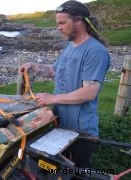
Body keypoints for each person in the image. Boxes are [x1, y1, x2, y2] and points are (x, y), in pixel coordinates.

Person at [19, 0, 110, 167]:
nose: (58, 28)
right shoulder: (70, 46)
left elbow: (89, 92)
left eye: (62, 22)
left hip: (81, 133)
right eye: (57, 23)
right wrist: (34, 66)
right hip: (61, 126)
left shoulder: (95, 51)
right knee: (58, 173)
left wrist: (52, 98)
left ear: (79, 21)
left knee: (76, 174)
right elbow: (55, 70)